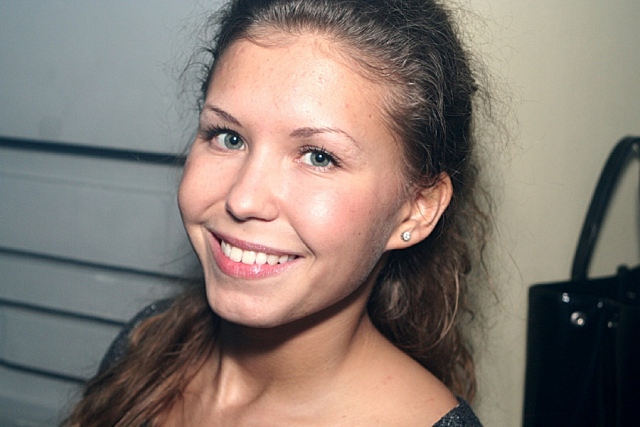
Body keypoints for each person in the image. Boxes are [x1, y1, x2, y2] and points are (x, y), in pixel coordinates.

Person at [66, 0, 491, 425]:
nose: (243, 199)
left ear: (417, 209)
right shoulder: (146, 345)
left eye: (319, 157)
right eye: (228, 137)